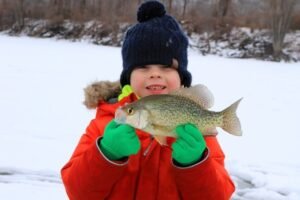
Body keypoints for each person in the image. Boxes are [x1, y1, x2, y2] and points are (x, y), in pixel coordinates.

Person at [61, 1, 235, 199]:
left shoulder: (198, 134)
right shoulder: (105, 124)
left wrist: (195, 164)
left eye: (166, 67)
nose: (155, 75)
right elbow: (77, 193)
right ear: (128, 76)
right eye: (143, 67)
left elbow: (219, 196)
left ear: (181, 77)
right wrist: (106, 154)